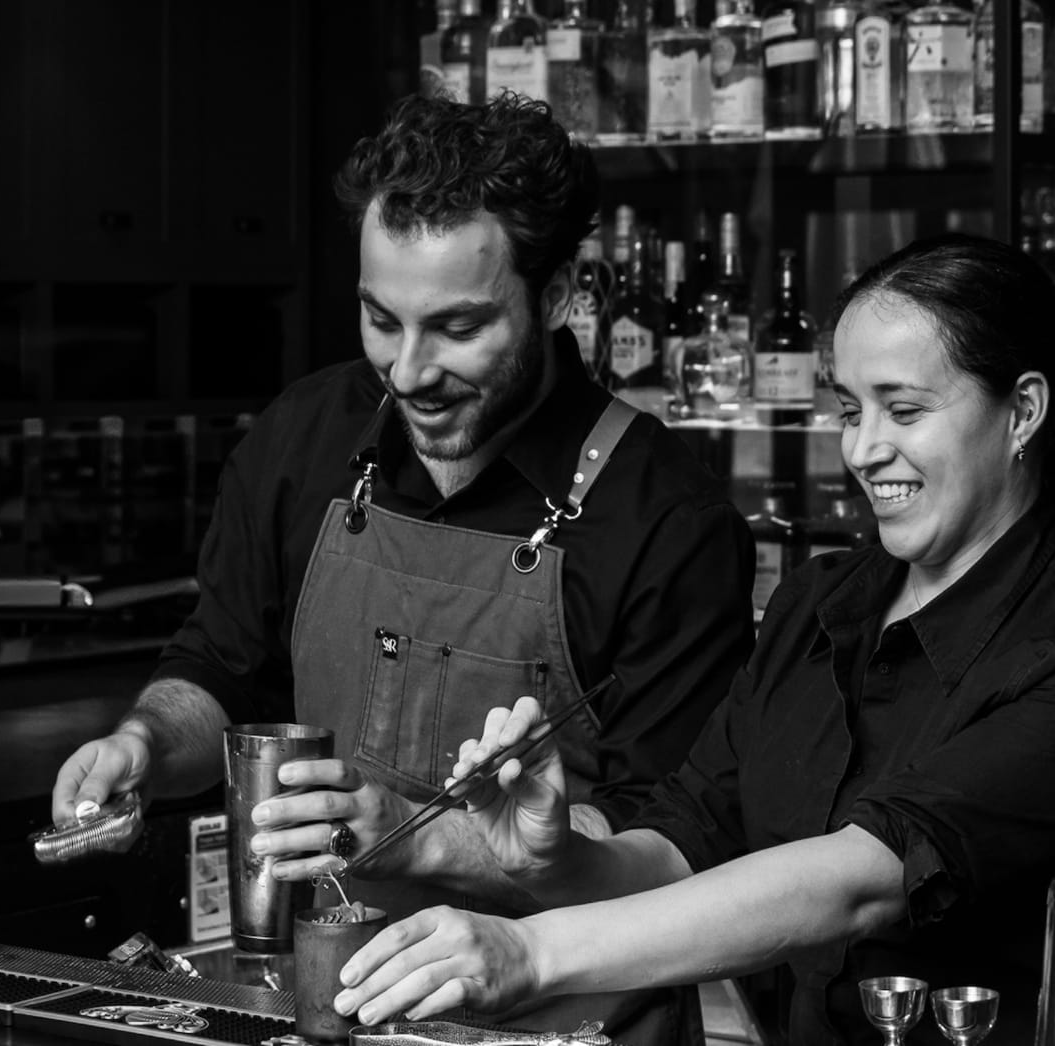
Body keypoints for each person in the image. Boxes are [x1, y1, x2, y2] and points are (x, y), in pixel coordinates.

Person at [328, 232, 1055, 1045]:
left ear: (1022, 411)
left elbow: (859, 884)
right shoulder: (820, 603)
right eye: (850, 409)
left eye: (906, 409)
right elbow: (683, 847)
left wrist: (534, 953)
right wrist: (554, 862)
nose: (864, 448)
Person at [49, 93, 755, 1045]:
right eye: (381, 319)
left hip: (562, 1025)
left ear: (556, 297)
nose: (409, 372)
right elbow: (220, 667)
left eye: (458, 328)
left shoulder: (667, 519)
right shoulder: (306, 436)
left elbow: (672, 853)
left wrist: (416, 829)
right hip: (320, 1006)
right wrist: (143, 745)